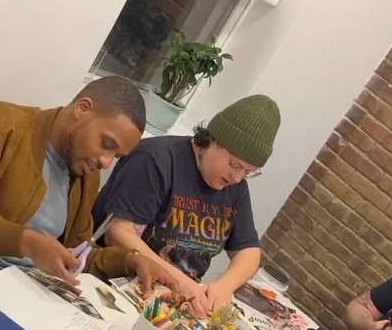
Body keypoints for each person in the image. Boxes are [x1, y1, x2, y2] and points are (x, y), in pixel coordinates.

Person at [0, 76, 165, 288]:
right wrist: (25, 242)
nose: (106, 162)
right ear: (82, 109)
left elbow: (75, 255)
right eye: (106, 144)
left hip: (29, 290)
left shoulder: (86, 173)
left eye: (116, 157)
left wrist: (128, 262)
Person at [93, 95, 280, 317]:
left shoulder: (235, 187)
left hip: (175, 304)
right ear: (211, 139)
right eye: (234, 164)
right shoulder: (155, 159)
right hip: (115, 285)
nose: (237, 177)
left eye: (248, 172)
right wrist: (179, 282)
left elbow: (249, 251)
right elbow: (118, 233)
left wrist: (224, 286)